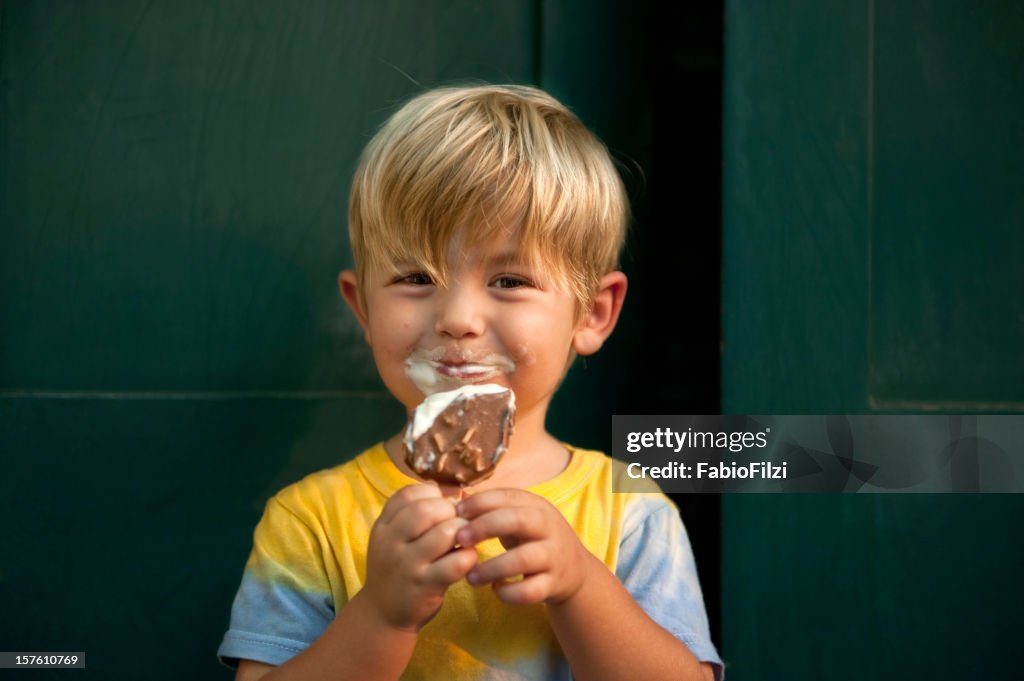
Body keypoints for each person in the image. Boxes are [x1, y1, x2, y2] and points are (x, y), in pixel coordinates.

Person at [217, 84, 723, 681]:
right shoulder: (311, 520)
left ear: (592, 314)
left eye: (510, 281)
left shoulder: (629, 510)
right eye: (415, 276)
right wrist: (380, 617)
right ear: (363, 310)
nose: (457, 319)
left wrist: (582, 585)